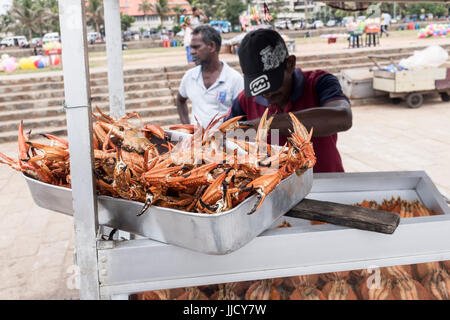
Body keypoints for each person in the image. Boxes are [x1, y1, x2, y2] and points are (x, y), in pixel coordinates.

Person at [225, 29, 352, 173]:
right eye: (259, 88)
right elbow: (226, 137)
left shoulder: (318, 83)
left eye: (273, 84)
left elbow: (343, 117)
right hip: (271, 189)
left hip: (324, 183)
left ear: (290, 64)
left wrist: (265, 125)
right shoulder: (245, 100)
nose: (268, 94)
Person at [176, 25, 244, 127]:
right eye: (191, 47)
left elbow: (243, 114)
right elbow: (180, 100)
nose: (191, 52)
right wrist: (187, 127)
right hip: (196, 141)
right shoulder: (189, 76)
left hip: (224, 141)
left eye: (196, 47)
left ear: (212, 46)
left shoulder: (235, 79)